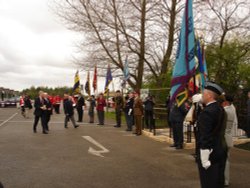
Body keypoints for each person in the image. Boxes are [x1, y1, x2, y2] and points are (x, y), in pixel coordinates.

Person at [194, 82, 227, 188]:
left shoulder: (207, 112)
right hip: (220, 149)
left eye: (203, 94)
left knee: (209, 182)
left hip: (210, 153)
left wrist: (204, 157)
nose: (202, 96)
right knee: (218, 181)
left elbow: (205, 136)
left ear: (209, 95)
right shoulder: (220, 109)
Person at [221, 94, 237, 187]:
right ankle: (226, 180)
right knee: (226, 160)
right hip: (229, 138)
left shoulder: (225, 110)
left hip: (224, 138)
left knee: (223, 161)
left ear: (226, 102)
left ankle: (224, 180)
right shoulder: (232, 109)